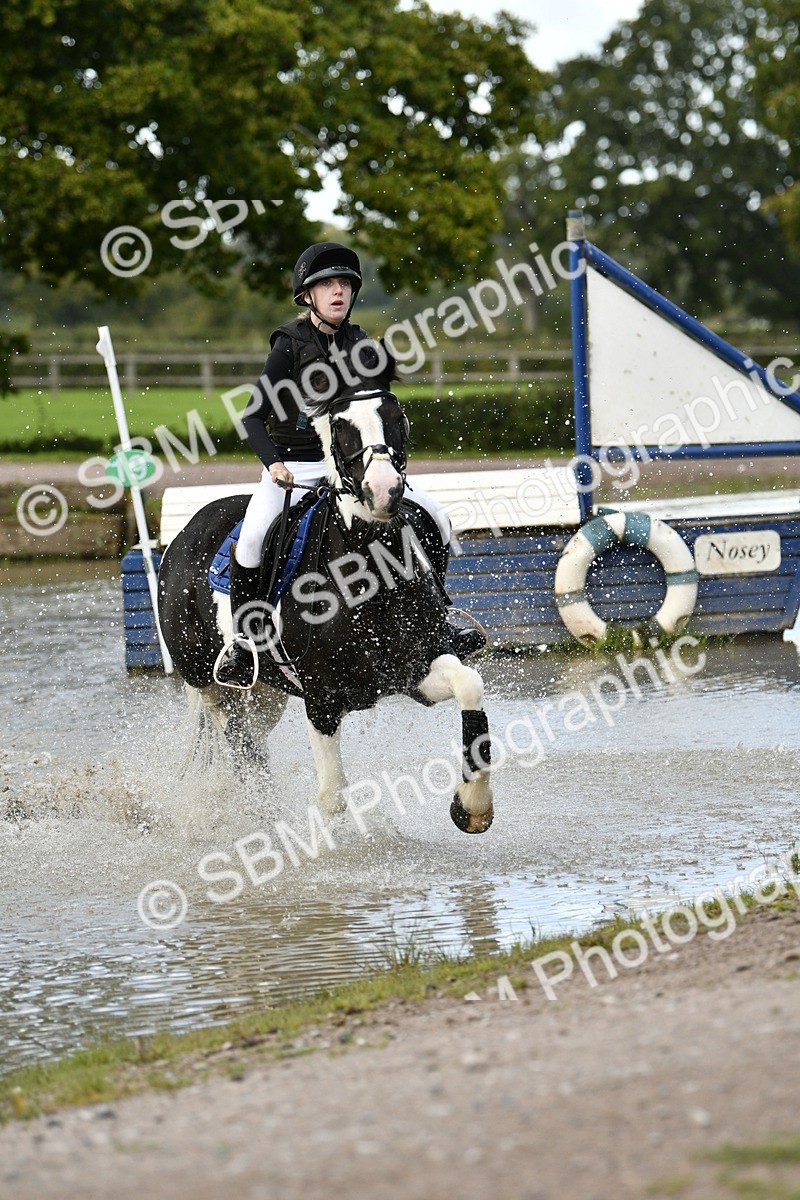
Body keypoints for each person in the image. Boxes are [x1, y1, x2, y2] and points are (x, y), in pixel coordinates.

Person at [215, 241, 485, 688]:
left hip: (349, 469)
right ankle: (246, 643)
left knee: (434, 515)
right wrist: (274, 463)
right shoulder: (289, 345)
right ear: (308, 296)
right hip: (295, 468)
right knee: (251, 541)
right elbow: (251, 416)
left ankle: (440, 619)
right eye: (327, 286)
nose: (338, 292)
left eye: (344, 284)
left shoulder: (361, 344)